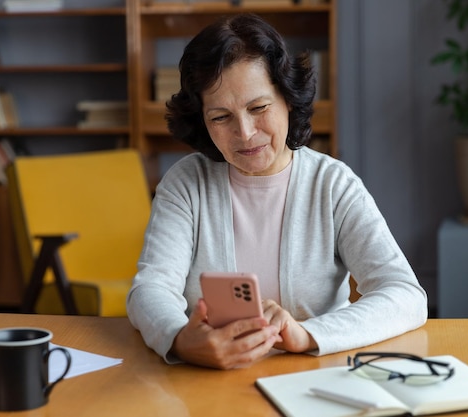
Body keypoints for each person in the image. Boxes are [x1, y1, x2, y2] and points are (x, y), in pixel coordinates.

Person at [126, 13, 427, 370]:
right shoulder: (185, 184)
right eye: (221, 117)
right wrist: (181, 340)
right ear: (202, 122)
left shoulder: (333, 184)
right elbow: (150, 289)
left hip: (317, 377)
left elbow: (405, 295)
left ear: (287, 98)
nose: (246, 132)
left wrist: (307, 334)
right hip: (207, 379)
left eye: (258, 108)